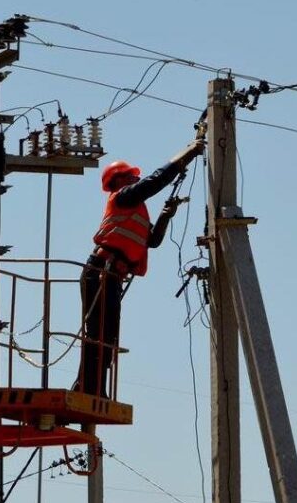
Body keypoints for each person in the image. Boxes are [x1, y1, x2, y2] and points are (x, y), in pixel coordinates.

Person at [72, 140, 205, 398]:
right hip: (100, 271)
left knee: (107, 336)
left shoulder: (134, 210)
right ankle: (87, 388)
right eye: (132, 177)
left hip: (111, 276)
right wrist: (188, 152)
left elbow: (152, 241)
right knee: (97, 333)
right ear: (120, 180)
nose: (136, 180)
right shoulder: (122, 198)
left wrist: (167, 214)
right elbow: (156, 180)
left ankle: (95, 389)